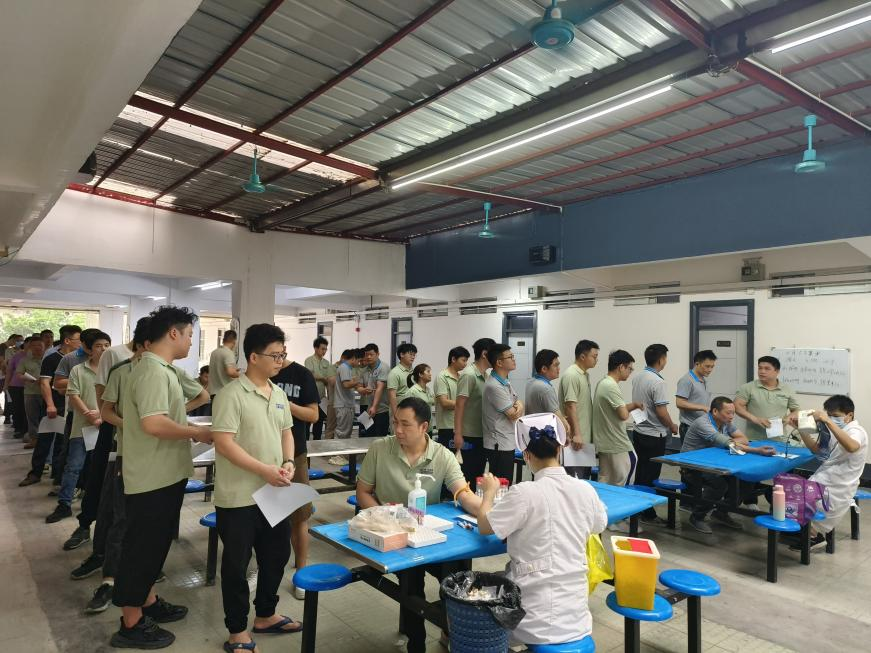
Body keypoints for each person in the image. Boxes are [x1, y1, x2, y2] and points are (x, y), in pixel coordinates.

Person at [110, 306, 212, 650]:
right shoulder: (152, 371)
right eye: (189, 335)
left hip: (163, 473)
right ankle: (131, 623)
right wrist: (197, 432)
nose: (190, 342)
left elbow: (163, 417)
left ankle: (148, 600)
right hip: (151, 477)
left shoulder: (160, 369)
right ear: (173, 333)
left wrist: (188, 427)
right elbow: (153, 424)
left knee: (153, 547)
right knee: (141, 548)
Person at [356, 396, 483, 653]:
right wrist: (385, 518)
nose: (398, 430)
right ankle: (417, 644)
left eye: (405, 424)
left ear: (424, 427)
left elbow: (463, 493)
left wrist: (486, 508)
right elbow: (363, 492)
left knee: (457, 573)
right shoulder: (380, 449)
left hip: (427, 537)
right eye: (395, 423)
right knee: (412, 582)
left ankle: (451, 629)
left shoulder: (441, 455)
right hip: (394, 537)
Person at [477, 413, 608, 647]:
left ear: (526, 455)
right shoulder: (585, 489)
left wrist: (488, 492)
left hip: (531, 621)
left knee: (477, 601)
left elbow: (485, 526)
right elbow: (599, 524)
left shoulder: (524, 493)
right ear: (560, 449)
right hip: (576, 617)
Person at [212, 324, 303, 651]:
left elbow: (286, 432)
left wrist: (288, 461)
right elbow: (224, 443)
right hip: (238, 497)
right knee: (237, 566)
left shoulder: (278, 394)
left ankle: (265, 614)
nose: (280, 361)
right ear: (253, 357)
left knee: (277, 555)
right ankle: (237, 630)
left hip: (273, 493)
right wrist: (264, 470)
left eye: (283, 355)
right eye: (275, 355)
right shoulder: (231, 395)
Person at [681, 396, 776, 534]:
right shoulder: (703, 423)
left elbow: (744, 439)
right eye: (728, 413)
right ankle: (697, 517)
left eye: (733, 413)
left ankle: (721, 512)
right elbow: (729, 444)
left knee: (746, 480)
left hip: (714, 463)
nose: (732, 416)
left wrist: (729, 442)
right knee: (719, 485)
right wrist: (757, 450)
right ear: (715, 411)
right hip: (692, 466)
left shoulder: (725, 422)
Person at [45, 331, 110, 524]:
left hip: (106, 426)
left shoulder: (113, 371)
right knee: (73, 466)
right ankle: (64, 504)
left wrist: (101, 415)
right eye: (99, 345)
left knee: (100, 467)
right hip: (82, 425)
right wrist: (89, 414)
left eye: (107, 345)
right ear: (89, 349)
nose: (104, 349)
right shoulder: (78, 370)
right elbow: (73, 395)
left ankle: (97, 504)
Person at [271, 346, 319, 599]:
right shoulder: (257, 376)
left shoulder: (301, 374)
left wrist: (285, 404)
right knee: (265, 516)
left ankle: (302, 573)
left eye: (278, 354)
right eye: (270, 354)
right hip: (262, 457)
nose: (276, 360)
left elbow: (313, 415)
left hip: (295, 454)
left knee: (299, 516)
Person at [795, 395, 868, 549]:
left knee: (798, 498)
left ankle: (814, 535)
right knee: (792, 494)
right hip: (827, 477)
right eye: (829, 415)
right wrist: (801, 430)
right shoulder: (836, 431)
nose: (831, 418)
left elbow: (852, 447)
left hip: (840, 485)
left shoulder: (856, 431)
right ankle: (808, 532)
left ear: (849, 415)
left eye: (835, 416)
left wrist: (827, 421)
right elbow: (818, 451)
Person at [20, 325, 82, 486]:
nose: (81, 343)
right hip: (54, 404)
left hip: (70, 406)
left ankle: (57, 475)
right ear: (67, 340)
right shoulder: (52, 359)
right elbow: (45, 383)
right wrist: (50, 405)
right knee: (45, 439)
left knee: (62, 442)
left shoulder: (80, 358)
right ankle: (35, 473)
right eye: (78, 339)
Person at [631, 343, 678, 524]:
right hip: (654, 435)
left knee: (640, 471)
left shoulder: (638, 377)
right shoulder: (658, 382)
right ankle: (647, 513)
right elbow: (661, 412)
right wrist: (672, 426)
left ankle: (637, 508)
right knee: (651, 475)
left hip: (639, 431)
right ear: (661, 360)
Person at [592, 350, 644, 488]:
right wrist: (629, 410)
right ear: (621, 367)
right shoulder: (611, 386)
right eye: (630, 368)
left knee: (605, 482)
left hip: (606, 443)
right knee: (623, 485)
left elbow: (616, 410)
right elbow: (623, 415)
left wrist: (633, 405)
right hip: (618, 444)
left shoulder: (603, 383)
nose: (630, 372)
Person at [454, 337, 495, 491]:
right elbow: (459, 405)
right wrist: (458, 434)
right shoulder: (469, 375)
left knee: (478, 473)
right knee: (468, 476)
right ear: (484, 354)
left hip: (481, 434)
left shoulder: (485, 376)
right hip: (469, 435)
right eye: (494, 353)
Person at [482, 343, 523, 483]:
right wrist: (518, 407)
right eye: (510, 357)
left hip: (506, 441)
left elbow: (519, 402)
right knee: (501, 485)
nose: (514, 359)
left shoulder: (505, 381)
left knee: (505, 483)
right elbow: (513, 414)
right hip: (498, 443)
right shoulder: (494, 385)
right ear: (499, 362)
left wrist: (518, 406)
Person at [558, 339, 599, 479]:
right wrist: (576, 433)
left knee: (584, 480)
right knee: (574, 480)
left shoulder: (584, 375)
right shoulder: (572, 375)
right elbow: (570, 405)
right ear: (582, 356)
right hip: (575, 439)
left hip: (584, 440)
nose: (596, 360)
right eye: (594, 356)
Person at [734, 355, 801, 441]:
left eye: (767, 369)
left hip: (780, 439)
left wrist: (787, 419)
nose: (762, 371)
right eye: (760, 368)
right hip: (754, 439)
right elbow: (737, 406)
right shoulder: (748, 387)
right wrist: (755, 419)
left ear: (777, 371)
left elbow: (796, 410)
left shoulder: (787, 389)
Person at [330, 349, 363, 465]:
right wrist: (357, 381)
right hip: (343, 404)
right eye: (358, 361)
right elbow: (346, 384)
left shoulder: (347, 368)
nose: (359, 363)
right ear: (353, 358)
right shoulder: (344, 367)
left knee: (346, 431)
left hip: (346, 404)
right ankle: (337, 456)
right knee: (342, 432)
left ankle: (341, 455)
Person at [434, 346, 469, 452]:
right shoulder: (442, 377)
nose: (465, 364)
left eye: (466, 361)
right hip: (448, 427)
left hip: (461, 425)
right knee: (448, 458)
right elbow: (444, 402)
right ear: (453, 359)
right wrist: (466, 404)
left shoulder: (461, 377)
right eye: (463, 360)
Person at [676, 350, 717, 439]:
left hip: (702, 426)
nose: (710, 370)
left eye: (712, 367)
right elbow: (680, 403)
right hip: (689, 427)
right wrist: (703, 407)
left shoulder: (703, 379)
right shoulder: (686, 380)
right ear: (697, 364)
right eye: (707, 366)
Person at [525, 349, 568, 428]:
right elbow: (559, 421)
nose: (558, 368)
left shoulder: (531, 382)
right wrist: (565, 424)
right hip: (543, 432)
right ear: (544, 369)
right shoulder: (545, 388)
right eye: (555, 365)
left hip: (533, 430)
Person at [18, 336, 47, 448]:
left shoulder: (49, 359)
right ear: (30, 347)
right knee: (32, 417)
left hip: (47, 393)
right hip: (30, 393)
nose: (37, 347)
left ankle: (47, 439)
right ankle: (34, 439)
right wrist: (31, 379)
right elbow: (19, 374)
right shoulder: (25, 361)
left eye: (39, 345)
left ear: (44, 346)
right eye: (34, 345)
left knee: (47, 416)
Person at [304, 337, 335, 440]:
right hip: (310, 396)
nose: (324, 351)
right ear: (316, 348)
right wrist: (322, 378)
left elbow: (329, 380)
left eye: (325, 349)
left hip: (321, 397)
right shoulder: (309, 360)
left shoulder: (326, 363)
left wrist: (329, 397)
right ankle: (306, 443)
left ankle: (317, 442)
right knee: (308, 421)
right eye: (322, 349)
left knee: (319, 421)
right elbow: (310, 375)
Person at [360, 343, 389, 436]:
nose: (368, 357)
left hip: (382, 410)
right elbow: (359, 386)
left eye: (371, 354)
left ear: (377, 354)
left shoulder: (383, 368)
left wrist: (374, 407)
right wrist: (362, 390)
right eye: (366, 355)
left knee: (380, 438)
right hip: (369, 410)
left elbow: (380, 388)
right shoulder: (364, 370)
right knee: (368, 436)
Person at [387, 343, 417, 425]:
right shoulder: (394, 373)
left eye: (414, 355)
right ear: (402, 354)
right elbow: (392, 396)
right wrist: (395, 414)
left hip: (412, 409)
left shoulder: (414, 372)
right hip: (399, 410)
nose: (413, 357)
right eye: (410, 354)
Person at [208, 329, 240, 399]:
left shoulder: (214, 352)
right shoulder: (228, 353)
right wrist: (242, 375)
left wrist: (234, 370)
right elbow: (230, 372)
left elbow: (219, 370)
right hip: (225, 393)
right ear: (234, 341)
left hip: (213, 393)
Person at [6, 339, 28, 439]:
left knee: (27, 409)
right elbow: (9, 371)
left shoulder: (39, 356)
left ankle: (26, 430)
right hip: (16, 386)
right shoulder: (17, 356)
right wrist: (6, 385)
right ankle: (19, 429)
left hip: (31, 387)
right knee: (18, 408)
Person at [406, 364, 435, 434]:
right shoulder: (413, 391)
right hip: (417, 429)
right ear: (420, 374)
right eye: (428, 372)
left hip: (428, 428)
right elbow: (407, 411)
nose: (430, 374)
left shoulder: (428, 390)